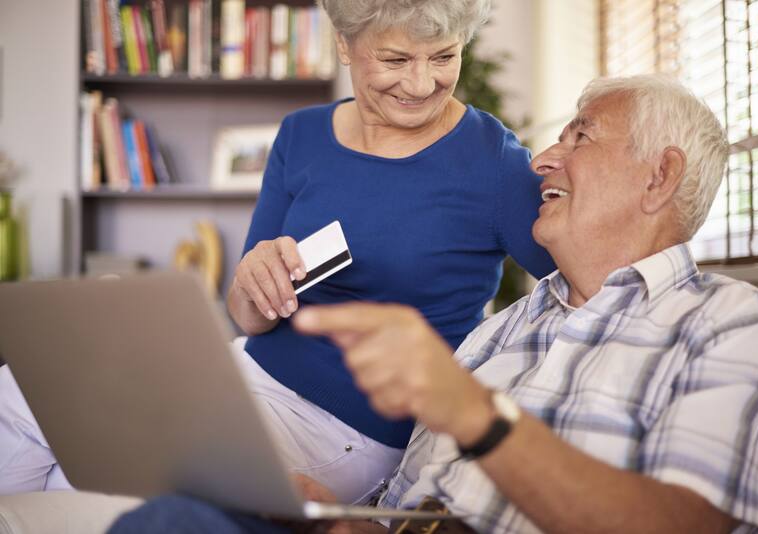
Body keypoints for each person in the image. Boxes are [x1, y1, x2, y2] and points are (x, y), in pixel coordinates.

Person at [111, 75, 758, 534]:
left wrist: (478, 416)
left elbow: (680, 525)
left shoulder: (729, 325)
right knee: (173, 517)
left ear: (661, 176)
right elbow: (403, 508)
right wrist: (336, 514)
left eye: (580, 136)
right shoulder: (499, 334)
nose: (541, 160)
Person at [0, 0, 555, 503]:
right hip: (242, 369)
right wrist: (252, 279)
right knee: (18, 392)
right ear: (344, 44)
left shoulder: (493, 162)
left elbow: (592, 284)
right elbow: (249, 316)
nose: (421, 82)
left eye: (444, 56)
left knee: (80, 481)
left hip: (347, 430)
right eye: (394, 59)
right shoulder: (302, 134)